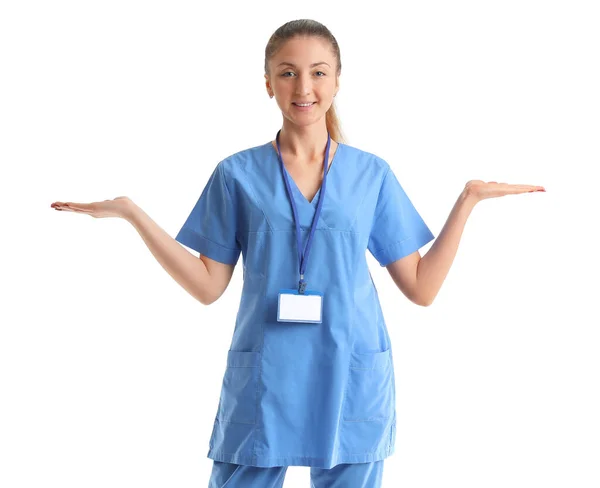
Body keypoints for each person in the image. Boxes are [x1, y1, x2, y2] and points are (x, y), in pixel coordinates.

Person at [51, 18, 545, 488]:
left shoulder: (370, 175)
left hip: (350, 375)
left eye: (317, 72)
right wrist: (134, 214)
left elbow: (421, 287)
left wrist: (468, 200)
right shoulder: (237, 174)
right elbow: (207, 286)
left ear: (337, 81)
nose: (303, 87)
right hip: (267, 378)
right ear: (267, 83)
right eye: (287, 73)